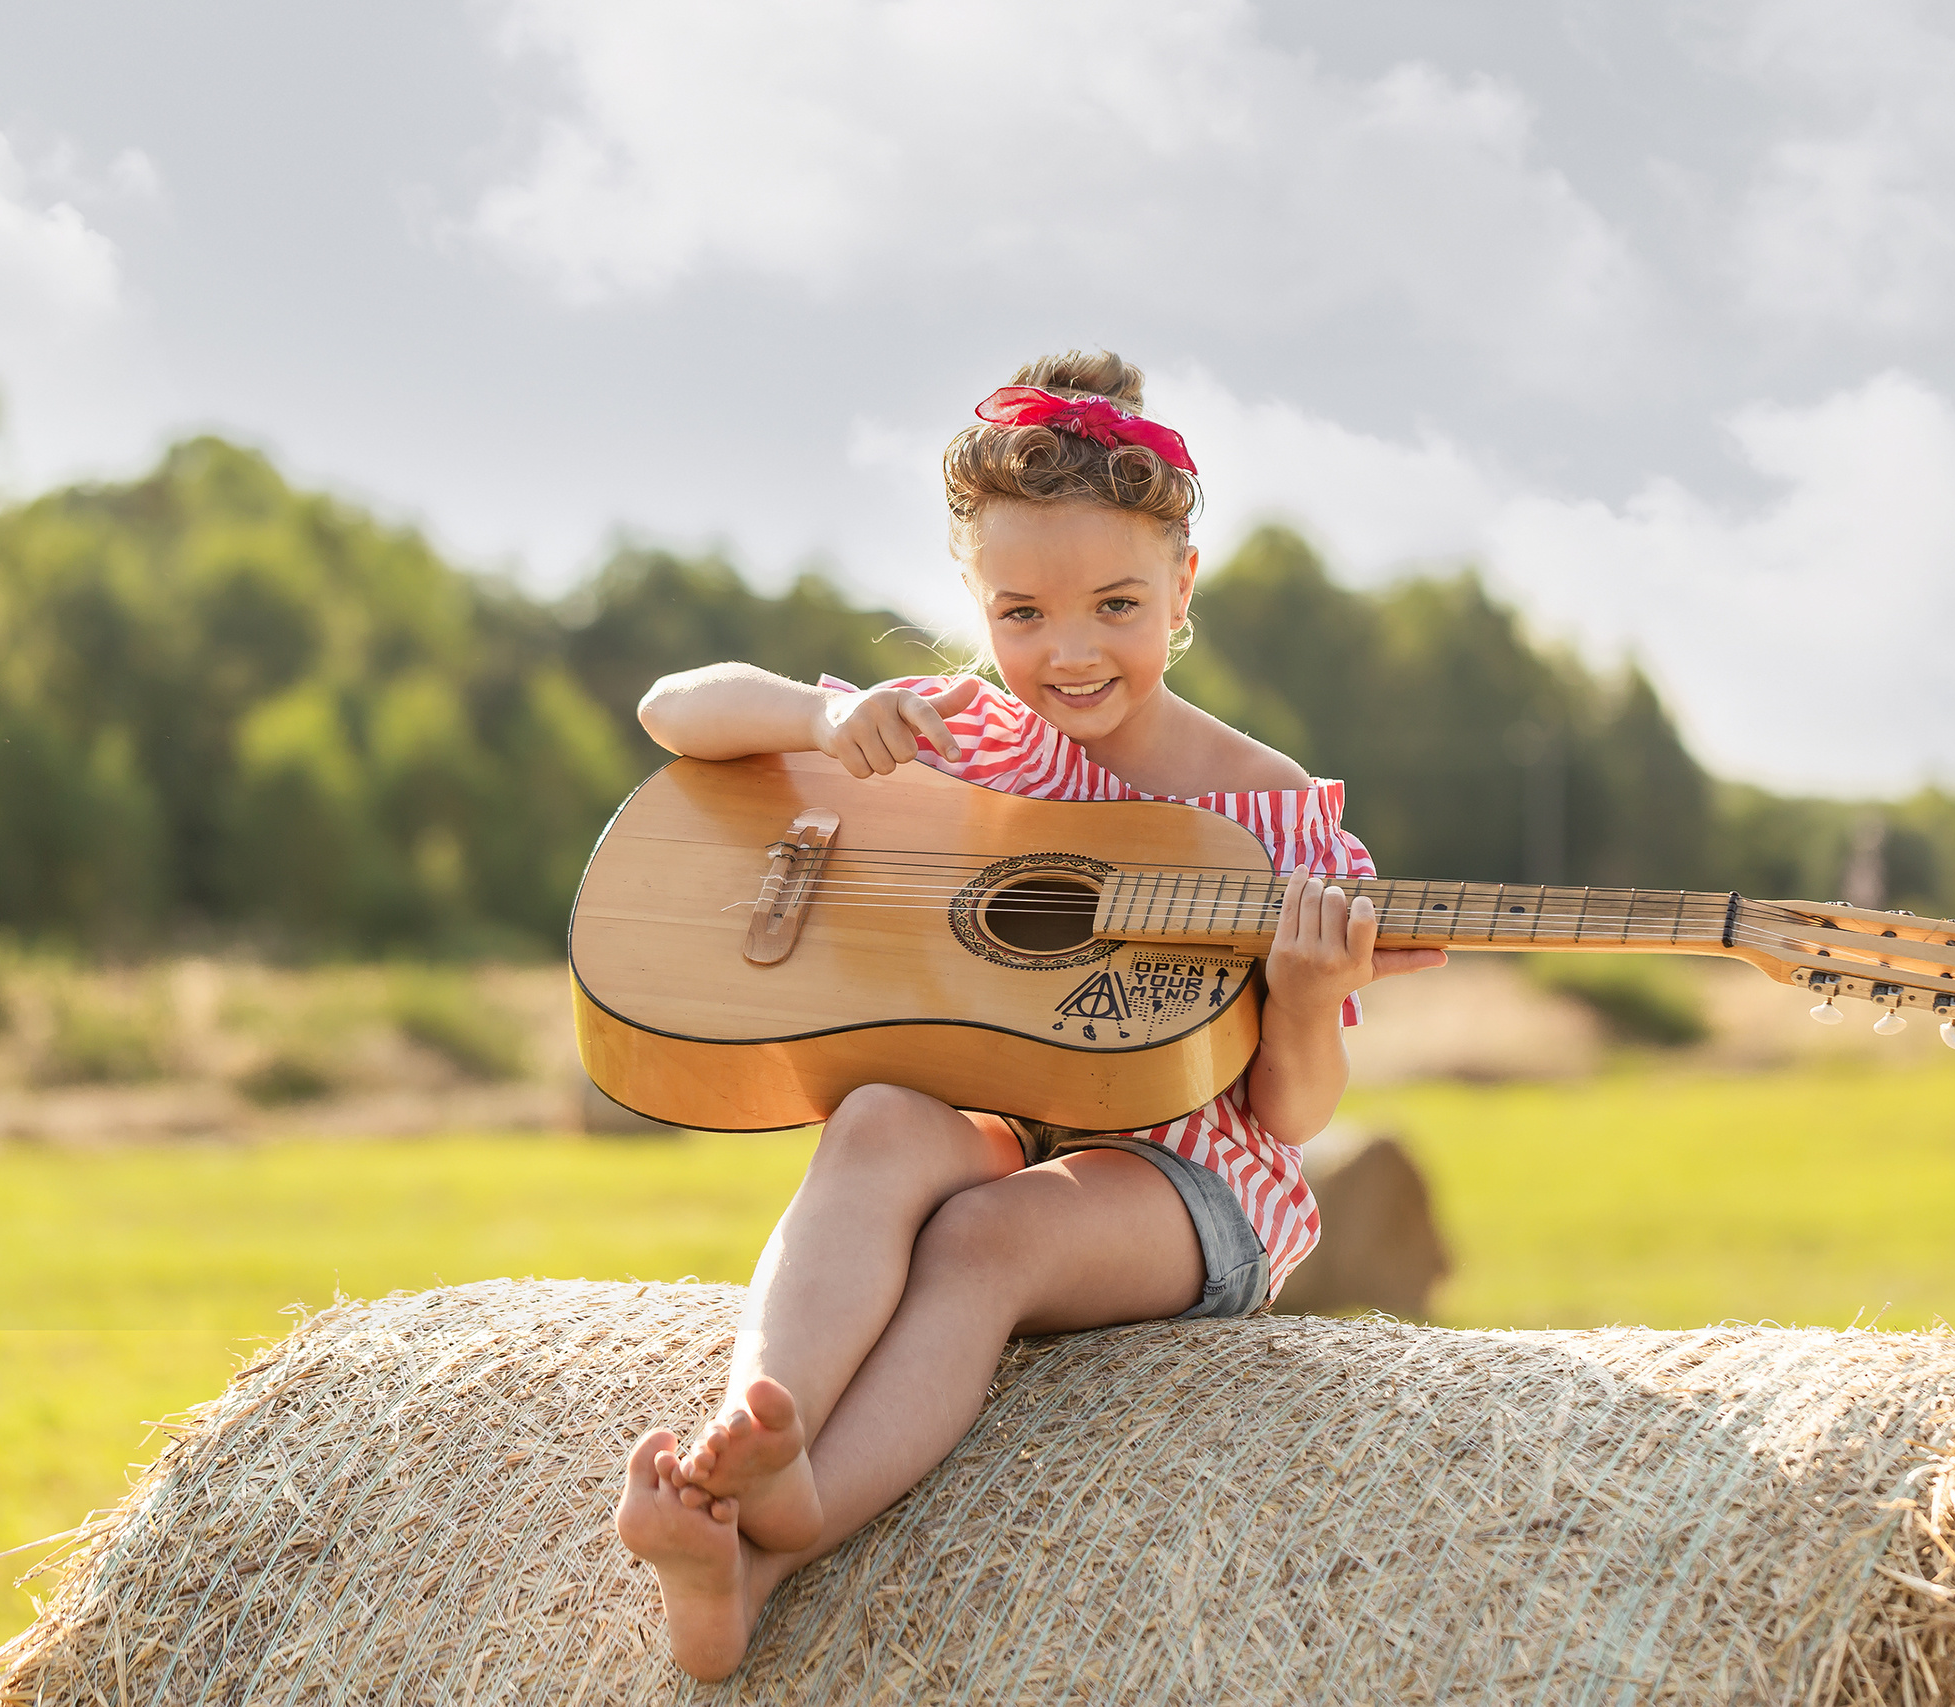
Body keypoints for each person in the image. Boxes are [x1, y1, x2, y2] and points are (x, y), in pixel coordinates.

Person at [612, 350, 1445, 1679]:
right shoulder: (976, 738)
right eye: (1020, 613)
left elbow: (1292, 1117)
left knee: (989, 1237)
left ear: (1182, 588)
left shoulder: (1276, 820)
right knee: (881, 1121)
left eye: (1115, 602)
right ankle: (748, 1456)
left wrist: (1301, 996)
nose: (1066, 652)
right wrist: (829, 717)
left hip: (1188, 1180)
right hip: (1008, 1117)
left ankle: (796, 1513)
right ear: (974, 602)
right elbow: (674, 712)